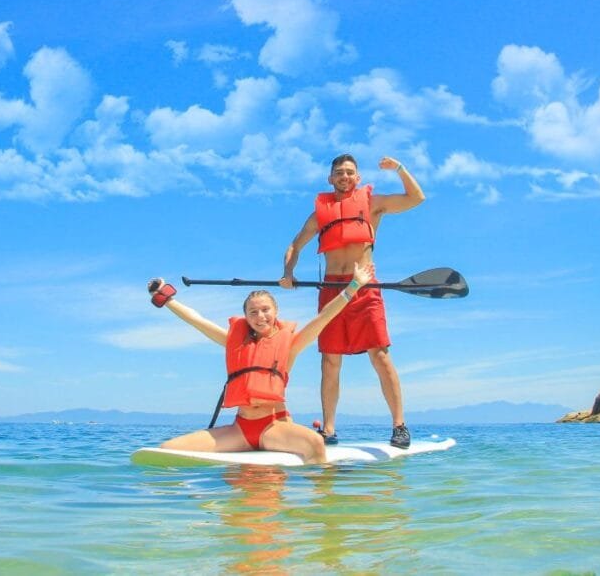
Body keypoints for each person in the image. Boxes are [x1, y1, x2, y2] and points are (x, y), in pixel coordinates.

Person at [146, 261, 374, 465]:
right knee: (167, 450)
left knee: (315, 443)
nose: (260, 316)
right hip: (240, 428)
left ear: (276, 312)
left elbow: (324, 317)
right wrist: (166, 298)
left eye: (265, 310)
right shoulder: (233, 343)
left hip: (273, 426)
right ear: (246, 317)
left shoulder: (290, 345)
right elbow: (198, 320)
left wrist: (354, 286)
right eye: (253, 312)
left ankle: (322, 500)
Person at [279, 154, 425, 448]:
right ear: (330, 179)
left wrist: (398, 168)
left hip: (364, 287)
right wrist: (288, 272)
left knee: (380, 356)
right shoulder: (320, 213)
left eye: (349, 172)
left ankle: (399, 426)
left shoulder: (372, 203)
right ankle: (329, 430)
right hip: (331, 288)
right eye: (339, 173)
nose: (345, 177)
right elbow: (295, 243)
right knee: (330, 360)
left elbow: (415, 198)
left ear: (357, 178)